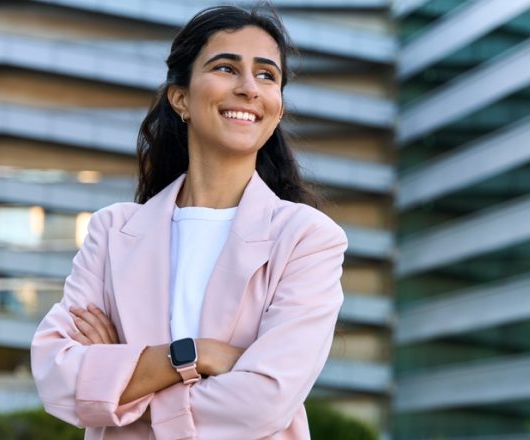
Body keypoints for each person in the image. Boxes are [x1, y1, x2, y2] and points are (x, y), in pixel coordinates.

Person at [30, 5, 348, 439]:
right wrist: (196, 355)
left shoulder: (307, 238)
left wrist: (118, 384)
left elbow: (263, 401)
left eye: (266, 75)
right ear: (180, 98)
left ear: (277, 109)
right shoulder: (111, 232)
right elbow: (57, 376)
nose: (249, 88)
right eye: (225, 67)